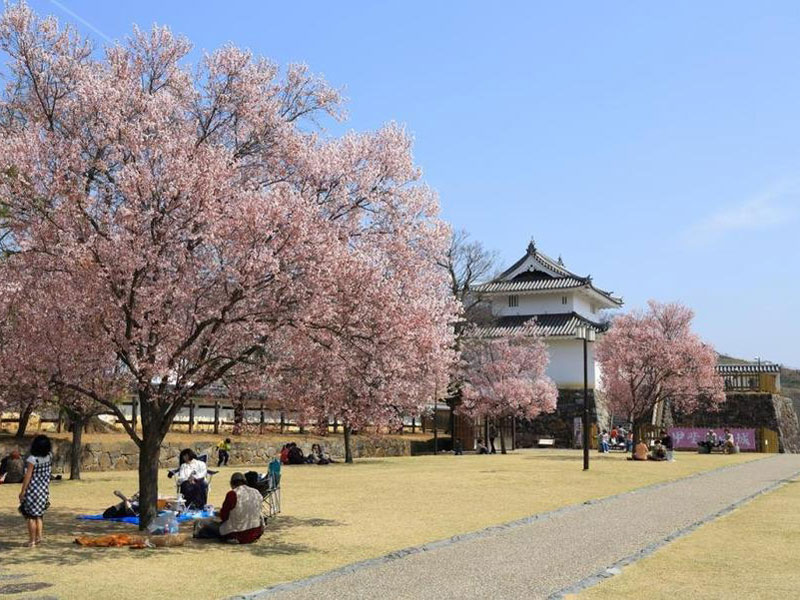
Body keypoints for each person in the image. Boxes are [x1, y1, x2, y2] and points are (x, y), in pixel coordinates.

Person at [193, 472, 264, 544]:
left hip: (237, 533)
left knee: (202, 522)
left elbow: (224, 516)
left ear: (231, 484)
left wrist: (216, 514)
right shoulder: (256, 492)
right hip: (255, 532)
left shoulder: (232, 494)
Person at [19, 435, 52, 547]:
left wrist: (22, 491)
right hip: (43, 491)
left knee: (31, 517)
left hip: (33, 492)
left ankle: (32, 540)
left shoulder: (32, 459)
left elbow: (27, 476)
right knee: (39, 515)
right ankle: (39, 537)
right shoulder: (49, 457)